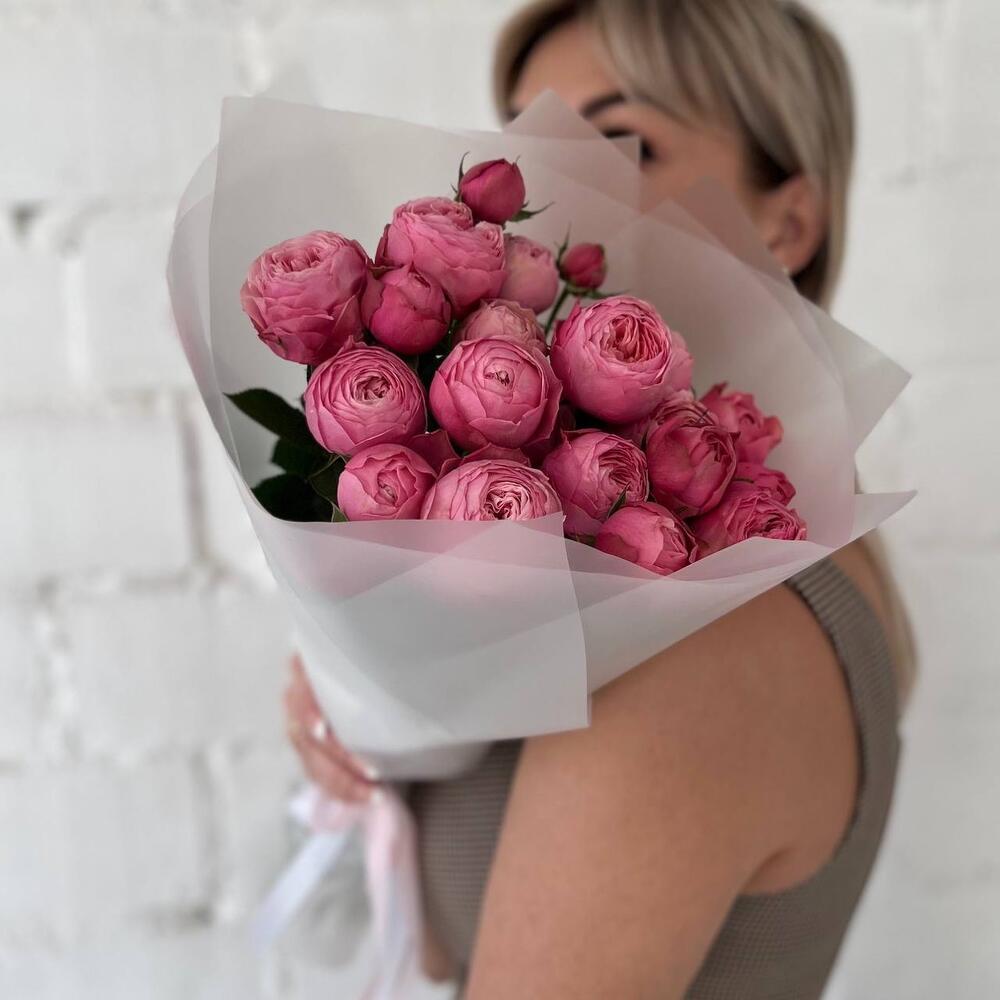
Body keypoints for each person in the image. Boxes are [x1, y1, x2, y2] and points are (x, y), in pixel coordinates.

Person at [284, 1, 916, 996]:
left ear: (786, 222)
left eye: (623, 145)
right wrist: (380, 704)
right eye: (530, 144)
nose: (556, 196)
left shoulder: (709, 640)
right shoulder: (666, 582)